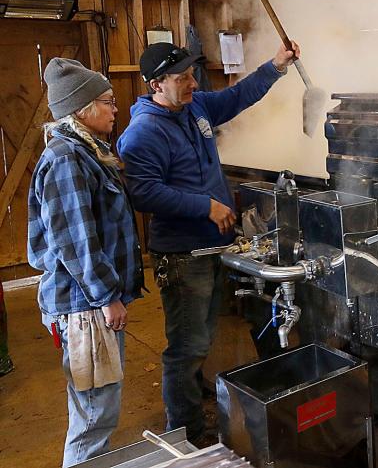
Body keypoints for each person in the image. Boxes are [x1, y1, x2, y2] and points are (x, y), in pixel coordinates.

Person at [117, 40, 299, 446]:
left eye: (191, 74)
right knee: (187, 347)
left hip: (216, 247)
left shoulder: (194, 107)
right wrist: (205, 206)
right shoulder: (143, 133)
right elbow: (143, 193)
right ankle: (186, 435)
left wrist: (275, 65)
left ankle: (201, 409)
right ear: (155, 85)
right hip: (185, 255)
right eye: (181, 78)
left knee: (204, 338)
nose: (192, 82)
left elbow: (236, 97)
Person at [27, 58, 144, 467]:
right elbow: (77, 243)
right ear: (82, 108)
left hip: (89, 303)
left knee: (96, 410)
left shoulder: (87, 152)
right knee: (94, 417)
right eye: (108, 102)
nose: (116, 109)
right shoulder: (66, 159)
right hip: (84, 308)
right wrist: (107, 297)